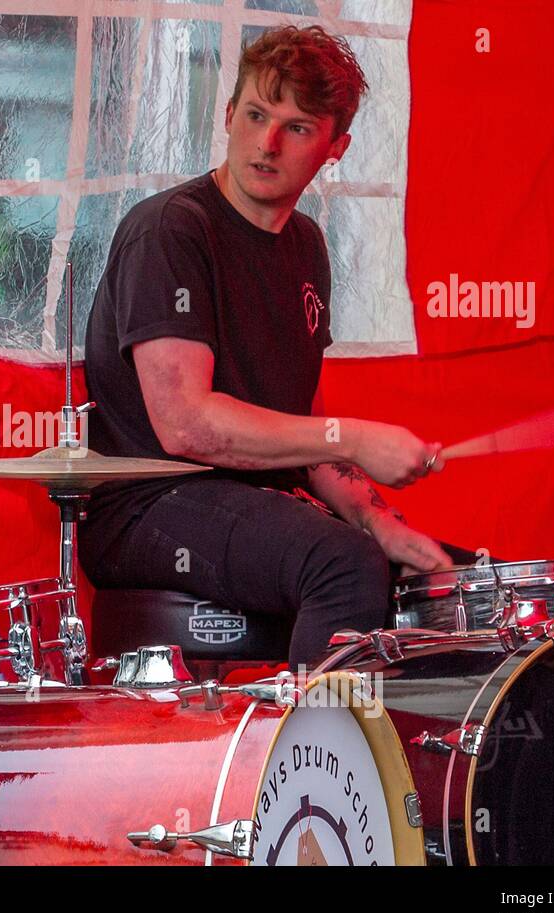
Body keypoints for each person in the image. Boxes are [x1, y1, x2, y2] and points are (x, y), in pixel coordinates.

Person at [80, 25, 459, 668]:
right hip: (148, 504)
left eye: (298, 128)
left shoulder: (306, 245)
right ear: (228, 115)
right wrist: (355, 438)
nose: (267, 143)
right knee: (342, 567)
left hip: (253, 499)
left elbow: (299, 434)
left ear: (335, 147)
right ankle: (320, 763)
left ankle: (435, 763)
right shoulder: (170, 230)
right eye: (256, 114)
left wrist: (375, 517)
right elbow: (186, 425)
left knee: (455, 577)